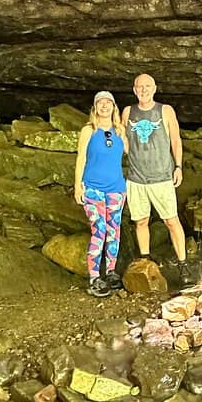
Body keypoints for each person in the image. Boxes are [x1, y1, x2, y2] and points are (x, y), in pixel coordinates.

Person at [122, 73, 192, 282]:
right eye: (139, 87)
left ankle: (183, 264)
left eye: (147, 86)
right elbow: (123, 140)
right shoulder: (128, 112)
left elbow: (176, 140)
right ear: (134, 90)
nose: (143, 90)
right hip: (136, 177)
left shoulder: (165, 111)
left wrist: (178, 167)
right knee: (141, 221)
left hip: (161, 176)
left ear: (154, 88)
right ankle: (145, 259)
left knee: (171, 220)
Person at [74, 90, 126, 298]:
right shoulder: (89, 130)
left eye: (108, 103)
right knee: (99, 230)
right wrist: (78, 186)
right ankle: (94, 277)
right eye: (100, 103)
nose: (104, 106)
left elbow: (134, 152)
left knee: (114, 231)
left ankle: (111, 271)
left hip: (116, 189)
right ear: (95, 108)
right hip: (93, 189)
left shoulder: (120, 130)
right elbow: (81, 158)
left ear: (114, 107)